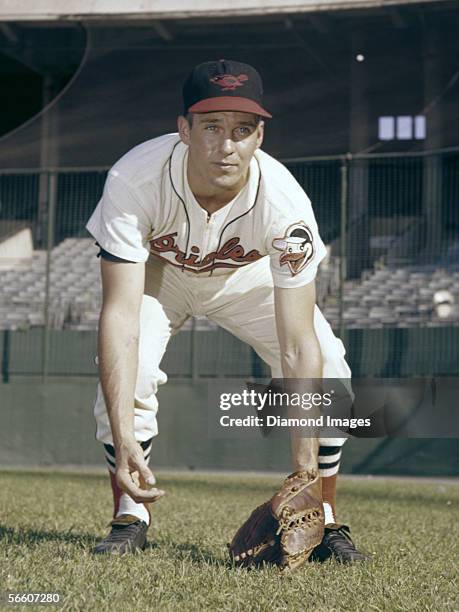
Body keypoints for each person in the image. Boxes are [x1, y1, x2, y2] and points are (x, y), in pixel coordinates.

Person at [86, 59, 367, 563]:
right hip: (160, 275)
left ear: (259, 137)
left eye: (242, 129)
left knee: (330, 365)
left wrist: (302, 474)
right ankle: (130, 512)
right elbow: (120, 316)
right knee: (132, 373)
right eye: (212, 126)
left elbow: (298, 344)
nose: (226, 144)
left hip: (246, 280)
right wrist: (123, 426)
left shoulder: (284, 206)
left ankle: (322, 519)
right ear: (184, 130)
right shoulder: (135, 178)